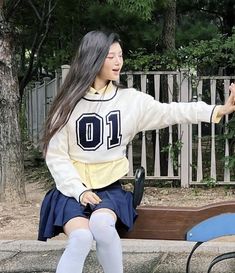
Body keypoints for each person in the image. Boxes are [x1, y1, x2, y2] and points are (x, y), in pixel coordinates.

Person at [38, 30, 235, 273]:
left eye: (120, 55)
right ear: (93, 58)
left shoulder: (130, 101)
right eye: (111, 56)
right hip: (70, 190)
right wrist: (79, 191)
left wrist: (217, 110)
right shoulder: (67, 104)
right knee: (80, 238)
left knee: (102, 227)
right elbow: (56, 156)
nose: (118, 61)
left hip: (108, 189)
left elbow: (171, 111)